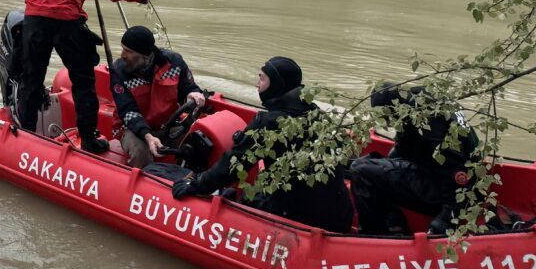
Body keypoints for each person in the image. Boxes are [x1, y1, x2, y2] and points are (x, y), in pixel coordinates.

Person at [0, 0, 151, 154]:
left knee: (31, 79)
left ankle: (27, 136)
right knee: (83, 82)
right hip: (68, 24)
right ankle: (89, 139)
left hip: (36, 22)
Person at [171, 57, 354, 233]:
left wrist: (196, 184)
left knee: (243, 197)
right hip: (340, 217)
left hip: (296, 218)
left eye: (262, 78)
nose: (257, 83)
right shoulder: (321, 117)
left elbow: (233, 166)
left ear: (277, 84)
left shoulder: (268, 122)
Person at [349, 83, 479, 236]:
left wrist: (441, 224)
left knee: (361, 172)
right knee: (364, 165)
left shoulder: (431, 130)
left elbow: (459, 183)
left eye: (388, 119)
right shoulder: (421, 100)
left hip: (447, 192)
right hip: (446, 173)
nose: (389, 124)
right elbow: (403, 147)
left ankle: (374, 234)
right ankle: (394, 224)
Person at [110, 25, 206, 168]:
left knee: (195, 145)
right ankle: (141, 184)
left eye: (128, 51)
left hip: (168, 125)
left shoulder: (174, 62)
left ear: (145, 54)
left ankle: (187, 182)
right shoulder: (118, 71)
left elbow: (188, 88)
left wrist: (193, 93)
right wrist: (148, 136)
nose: (122, 55)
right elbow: (128, 111)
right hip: (132, 128)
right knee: (140, 152)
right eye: (123, 48)